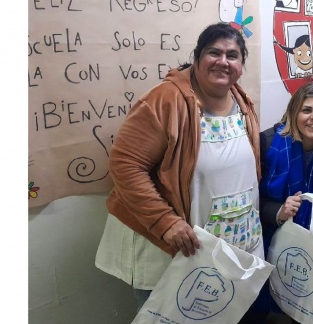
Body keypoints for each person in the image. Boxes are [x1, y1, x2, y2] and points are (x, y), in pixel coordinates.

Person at [94, 23, 264, 323]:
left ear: (241, 66)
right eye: (215, 53)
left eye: (233, 55)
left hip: (225, 247)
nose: (223, 61)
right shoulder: (165, 100)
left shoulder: (240, 99)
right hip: (168, 247)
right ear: (197, 58)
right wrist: (165, 221)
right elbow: (125, 164)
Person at [257, 83, 313, 321]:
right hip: (267, 236)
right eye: (307, 110)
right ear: (294, 112)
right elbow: (250, 200)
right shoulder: (265, 143)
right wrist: (278, 210)